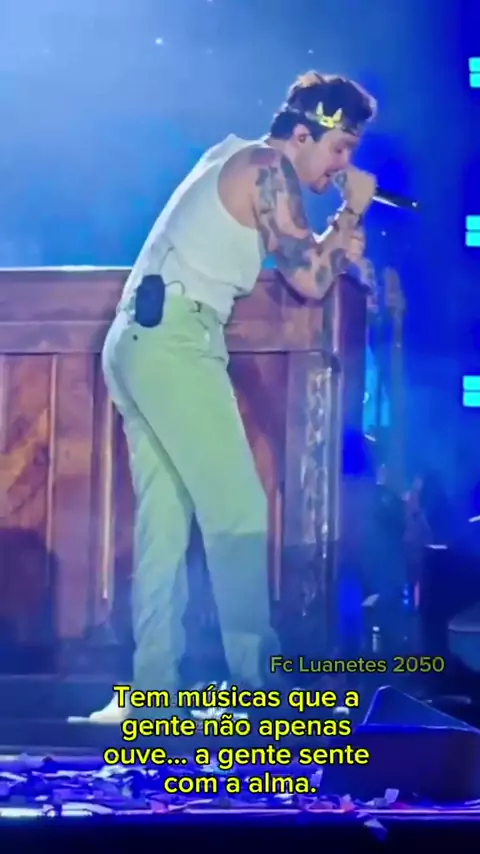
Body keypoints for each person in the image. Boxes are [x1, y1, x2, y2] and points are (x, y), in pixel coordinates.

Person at [87, 71, 377, 722]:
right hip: (175, 343)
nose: (342, 165)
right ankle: (258, 691)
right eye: (339, 148)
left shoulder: (234, 155)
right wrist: (350, 214)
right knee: (239, 512)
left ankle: (152, 695)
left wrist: (336, 240)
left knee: (164, 524)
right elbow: (308, 280)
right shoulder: (267, 169)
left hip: (140, 341)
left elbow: (307, 261)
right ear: (301, 135)